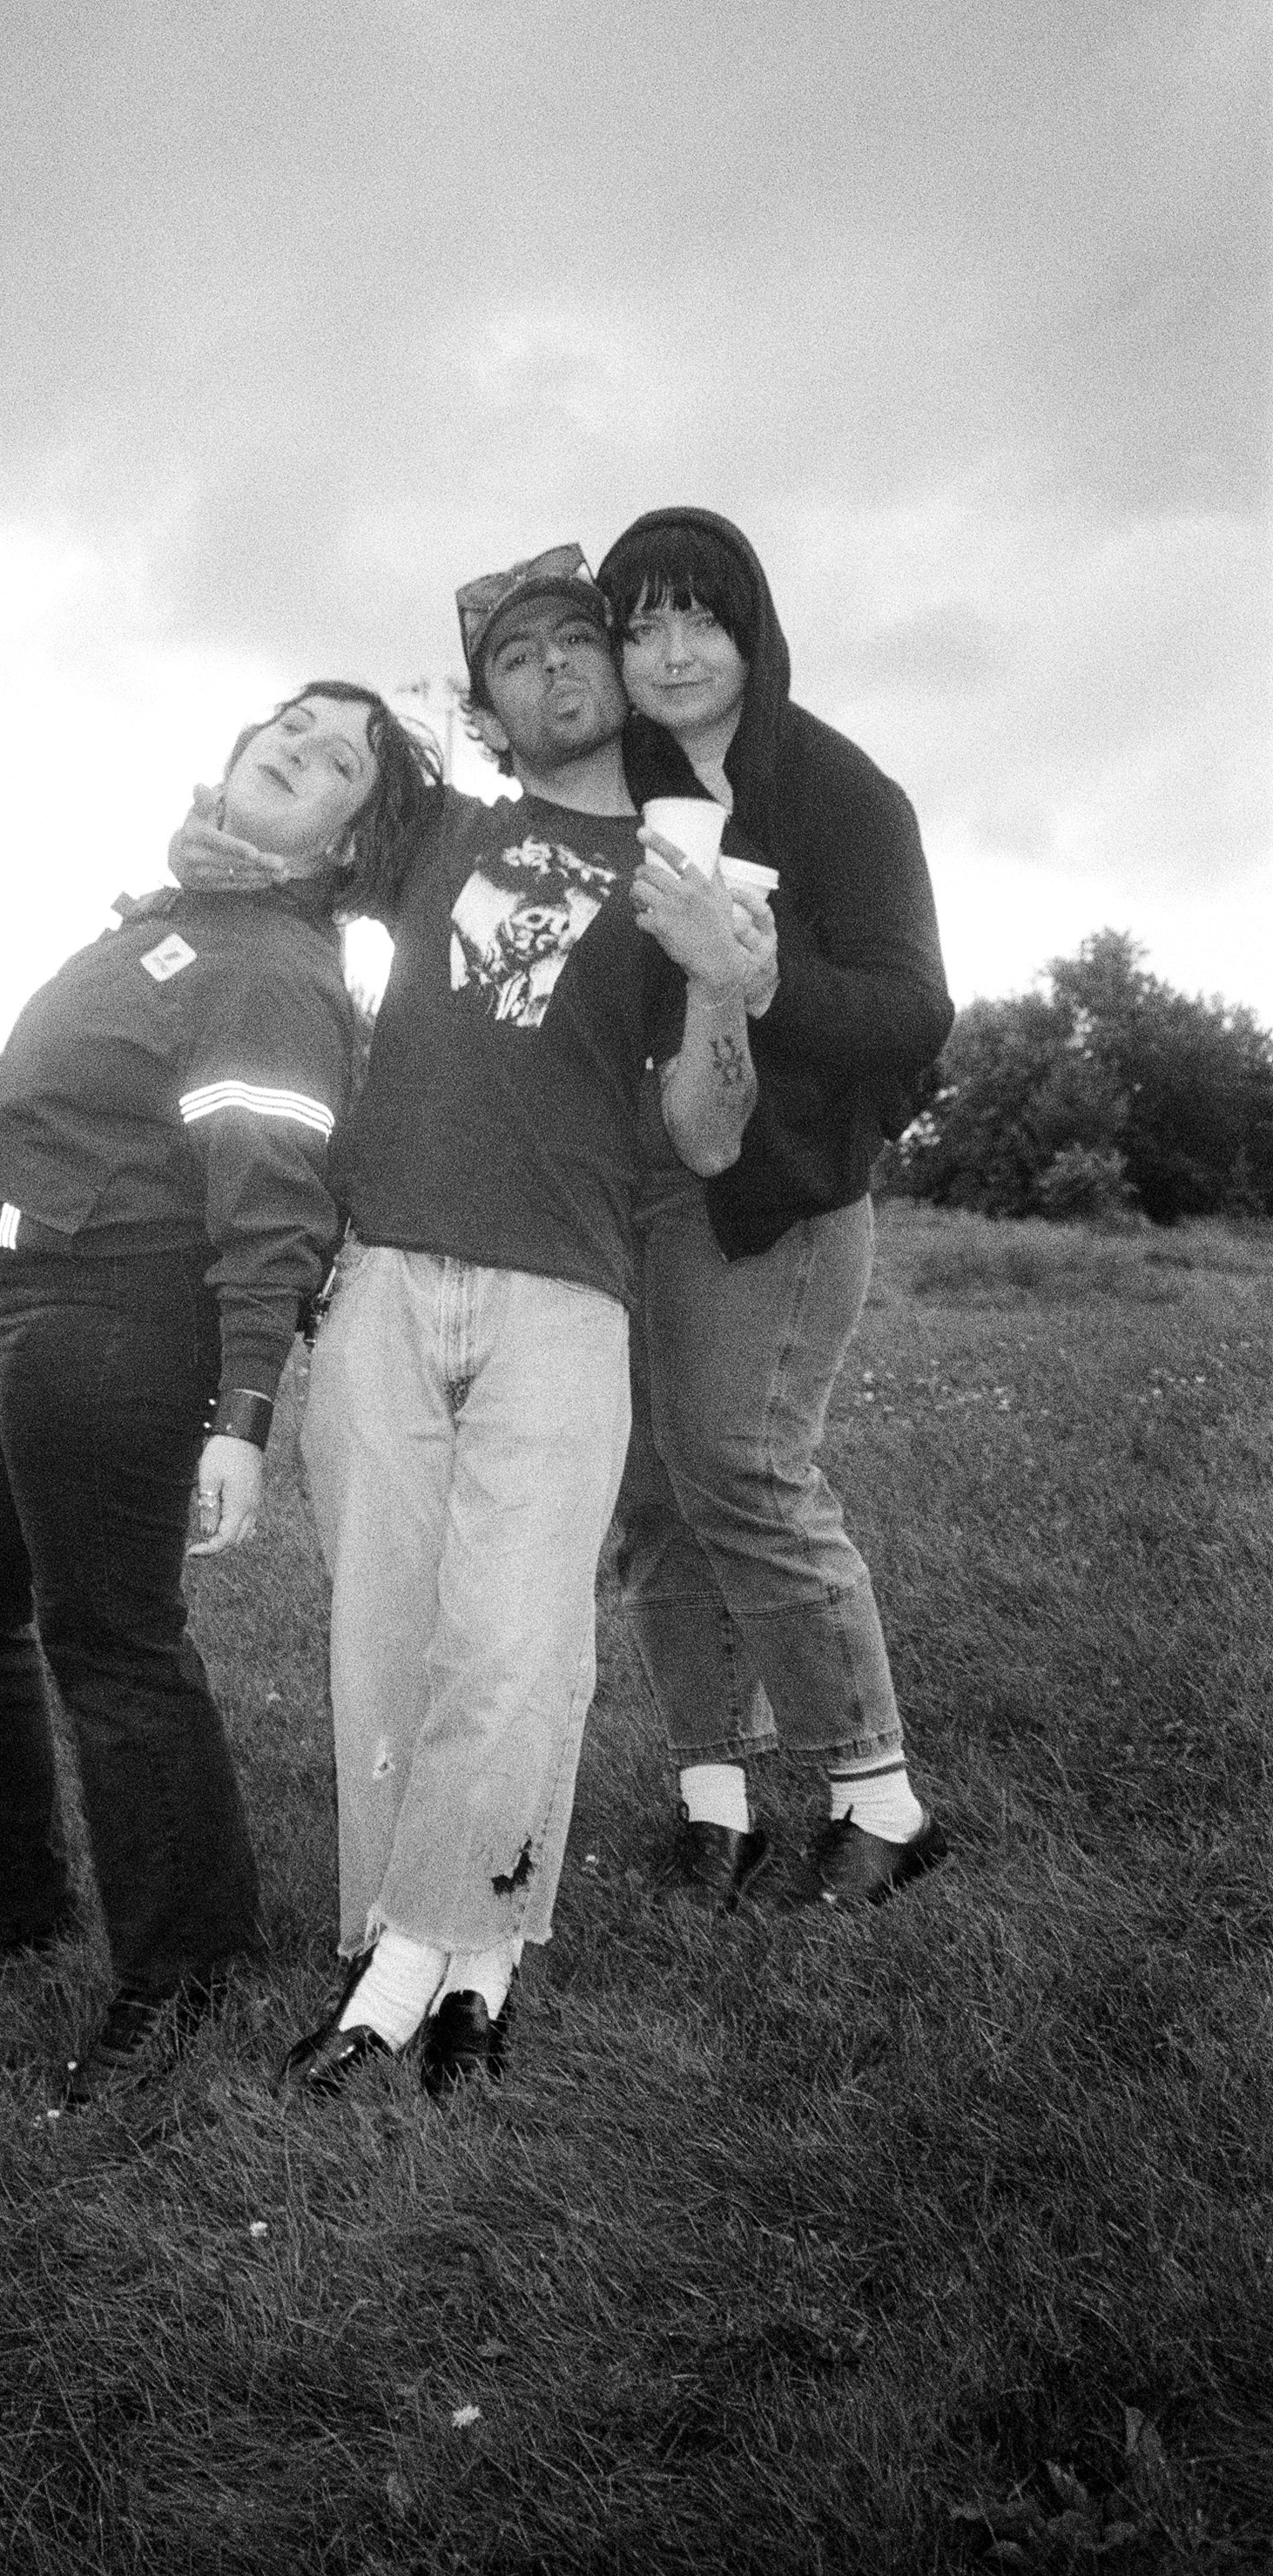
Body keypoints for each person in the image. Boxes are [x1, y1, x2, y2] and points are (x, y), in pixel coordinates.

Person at [178, 546, 775, 2097]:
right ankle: (422, 1949)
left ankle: (445, 1959)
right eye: (516, 656)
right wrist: (216, 823)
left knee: (516, 1638)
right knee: (384, 1636)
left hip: (565, 1292)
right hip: (381, 1273)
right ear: (487, 707)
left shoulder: (680, 866)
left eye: (577, 641)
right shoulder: (443, 829)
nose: (554, 667)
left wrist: (719, 981)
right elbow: (291, 832)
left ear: (617, 671)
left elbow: (710, 1136)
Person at [0, 683, 441, 2081]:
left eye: (339, 759)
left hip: (118, 1315)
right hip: (24, 1298)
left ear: (347, 843)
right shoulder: (186, 912)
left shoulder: (269, 967)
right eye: (293, 723)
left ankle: (189, 1963)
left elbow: (276, 1207)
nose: (299, 745)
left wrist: (244, 1412)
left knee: (112, 1638)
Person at [595, 506, 956, 1912]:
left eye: (700, 617)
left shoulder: (839, 792)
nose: (673, 652)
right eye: (641, 625)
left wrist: (761, 977)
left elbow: (915, 1012)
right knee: (653, 1490)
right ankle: (716, 1802)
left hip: (778, 1193)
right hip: (619, 1187)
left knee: (740, 1465)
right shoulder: (611, 784)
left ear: (751, 627)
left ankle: (881, 1800)